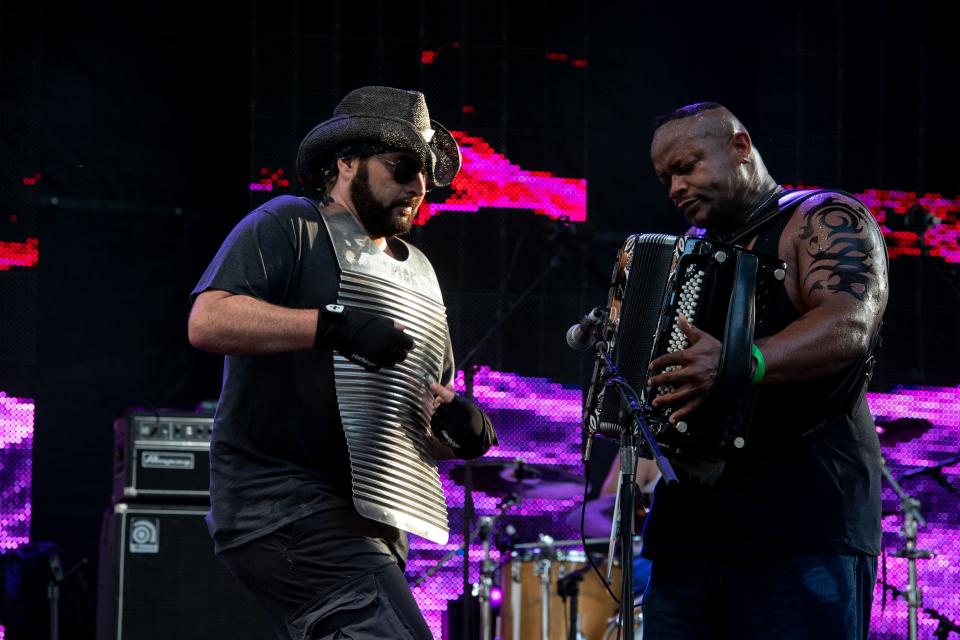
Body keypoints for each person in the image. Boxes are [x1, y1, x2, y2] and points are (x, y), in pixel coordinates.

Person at [188, 86, 497, 640]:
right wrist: (331, 325)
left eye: (426, 172)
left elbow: (417, 429)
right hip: (285, 506)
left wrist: (460, 432)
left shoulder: (420, 276)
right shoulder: (290, 225)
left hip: (373, 524)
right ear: (346, 160)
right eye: (402, 166)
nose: (418, 185)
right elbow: (208, 321)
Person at [638, 102, 887, 640]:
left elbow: (850, 322)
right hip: (690, 534)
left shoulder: (821, 217)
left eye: (688, 165)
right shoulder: (687, 255)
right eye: (666, 178)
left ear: (740, 146)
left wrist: (737, 362)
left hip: (801, 524)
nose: (676, 186)